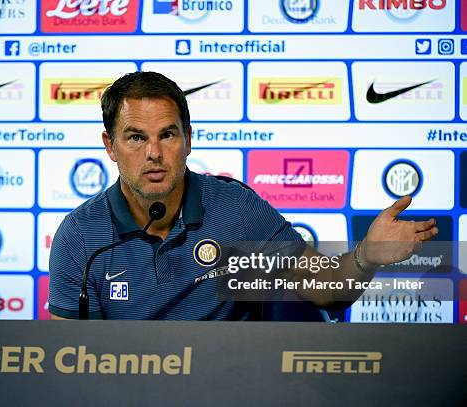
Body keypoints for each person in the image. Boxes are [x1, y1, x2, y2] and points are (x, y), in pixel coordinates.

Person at [48, 71, 438, 320]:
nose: (153, 152)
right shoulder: (80, 236)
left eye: (167, 134)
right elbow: (75, 363)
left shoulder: (234, 209)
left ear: (188, 139)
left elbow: (327, 290)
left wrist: (366, 256)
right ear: (110, 146)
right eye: (136, 137)